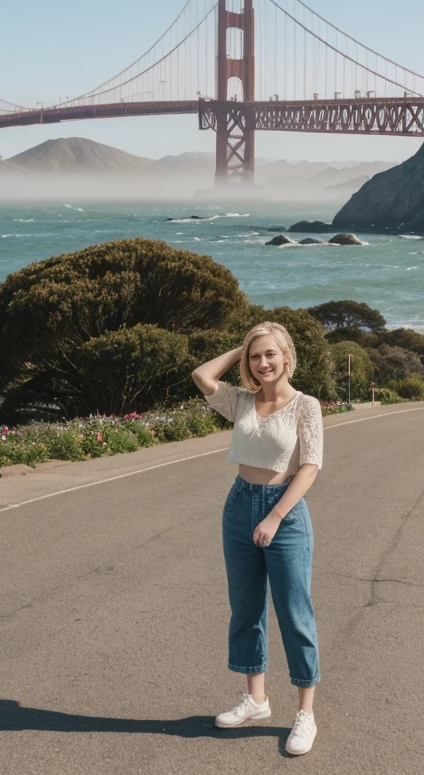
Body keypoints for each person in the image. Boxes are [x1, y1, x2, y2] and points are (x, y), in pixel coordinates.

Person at [191, 321, 323, 756]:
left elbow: (309, 467)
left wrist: (275, 516)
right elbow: (202, 377)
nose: (262, 363)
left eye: (270, 354)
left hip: (283, 513)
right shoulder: (242, 402)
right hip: (239, 506)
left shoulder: (306, 405)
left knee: (293, 613)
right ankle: (257, 700)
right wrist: (242, 345)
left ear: (287, 356)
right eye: (255, 356)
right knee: (245, 608)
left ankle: (305, 713)